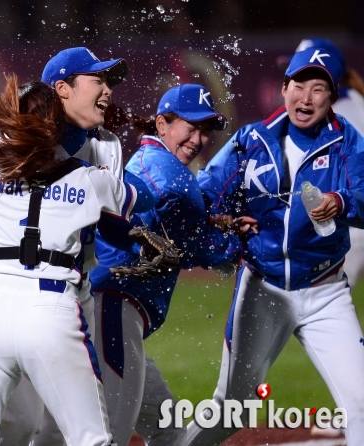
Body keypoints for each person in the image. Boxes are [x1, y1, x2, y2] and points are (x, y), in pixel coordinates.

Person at [0, 75, 154, 446]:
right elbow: (145, 198)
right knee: (91, 439)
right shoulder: (91, 179)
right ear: (57, 124)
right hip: (51, 308)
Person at [186, 47, 364, 446]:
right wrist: (221, 223)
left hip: (325, 292)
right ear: (283, 89)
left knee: (362, 405)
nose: (306, 97)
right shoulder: (251, 140)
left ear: (331, 97)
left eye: (318, 89)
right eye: (299, 85)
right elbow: (205, 195)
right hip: (263, 289)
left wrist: (342, 202)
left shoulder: (347, 141)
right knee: (234, 408)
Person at [90, 84, 247, 446]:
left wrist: (217, 224)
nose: (199, 139)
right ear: (162, 124)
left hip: (116, 312)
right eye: (190, 127)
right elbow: (202, 250)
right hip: (112, 308)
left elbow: (183, 236)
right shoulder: (170, 176)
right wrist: (236, 239)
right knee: (107, 435)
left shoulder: (156, 164)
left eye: (205, 130)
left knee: (168, 431)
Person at [279, 37, 364, 290]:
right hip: (352, 215)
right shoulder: (355, 103)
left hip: (350, 223)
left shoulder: (338, 116)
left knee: (314, 309)